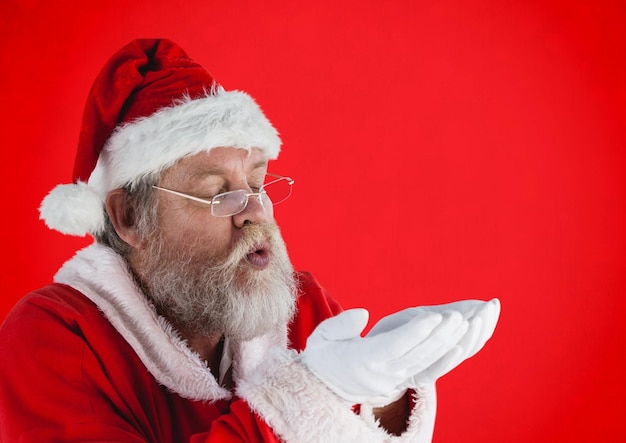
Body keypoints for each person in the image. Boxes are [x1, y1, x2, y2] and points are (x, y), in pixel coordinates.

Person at [0, 39, 500, 442]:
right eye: (218, 194)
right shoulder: (52, 339)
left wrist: (384, 399)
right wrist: (307, 395)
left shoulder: (299, 307)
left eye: (257, 184)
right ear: (129, 217)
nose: (256, 211)